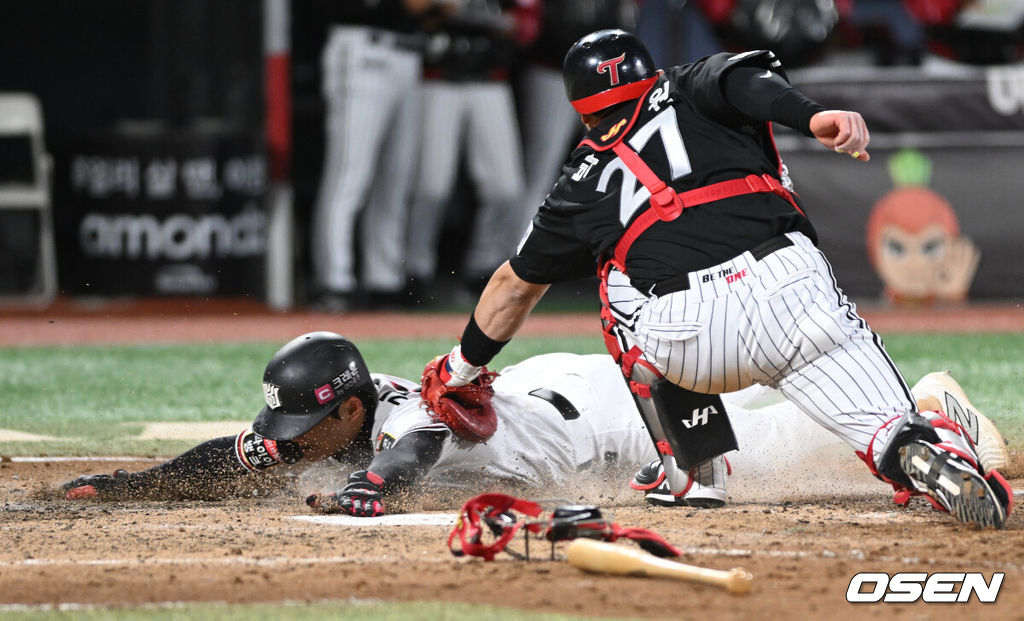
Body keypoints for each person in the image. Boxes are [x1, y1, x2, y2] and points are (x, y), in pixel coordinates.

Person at [423, 29, 1014, 528]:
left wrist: (459, 370)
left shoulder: (580, 180)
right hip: (794, 297)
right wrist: (813, 115)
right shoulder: (690, 84)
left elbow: (513, 288)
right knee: (886, 426)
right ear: (649, 76)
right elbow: (747, 82)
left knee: (617, 280)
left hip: (687, 341)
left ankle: (694, 467)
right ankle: (914, 449)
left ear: (581, 109)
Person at [60, 332, 1009, 516]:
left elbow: (417, 443)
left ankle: (926, 406)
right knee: (750, 412)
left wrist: (372, 488)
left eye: (301, 423)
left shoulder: (387, 416)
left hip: (605, 423)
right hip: (548, 391)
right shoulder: (327, 411)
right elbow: (238, 451)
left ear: (346, 408)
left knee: (760, 446)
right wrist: (131, 485)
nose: (284, 435)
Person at [404, 0, 538, 298]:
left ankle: (485, 268)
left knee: (507, 188)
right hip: (438, 78)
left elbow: (524, 26)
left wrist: (469, 14)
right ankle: (414, 271)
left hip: (490, 79)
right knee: (431, 187)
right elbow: (414, 12)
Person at [310, 0, 436, 311]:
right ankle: (334, 281)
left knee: (396, 176)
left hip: (408, 53)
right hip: (364, 46)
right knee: (349, 173)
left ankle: (384, 279)